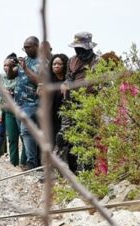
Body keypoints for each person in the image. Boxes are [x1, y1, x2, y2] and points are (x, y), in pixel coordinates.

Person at [58, 32, 100, 173]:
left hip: (89, 106)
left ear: (88, 47)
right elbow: (68, 78)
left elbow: (101, 86)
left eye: (81, 48)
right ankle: (70, 172)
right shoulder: (71, 61)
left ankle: (87, 174)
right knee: (65, 138)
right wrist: (65, 84)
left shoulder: (98, 62)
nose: (78, 51)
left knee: (87, 140)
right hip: (71, 105)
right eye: (76, 48)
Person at [15, 36, 42, 169]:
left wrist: (25, 68)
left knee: (26, 131)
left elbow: (40, 81)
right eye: (24, 47)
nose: (25, 50)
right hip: (18, 103)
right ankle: (29, 161)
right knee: (24, 133)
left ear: (36, 46)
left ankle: (32, 163)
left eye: (28, 47)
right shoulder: (24, 60)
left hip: (32, 103)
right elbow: (12, 77)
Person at [0, 54, 25, 168]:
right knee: (12, 139)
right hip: (8, 112)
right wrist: (0, 112)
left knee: (24, 138)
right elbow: (0, 96)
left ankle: (24, 163)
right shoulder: (2, 77)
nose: (6, 67)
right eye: (4, 65)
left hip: (20, 111)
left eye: (9, 65)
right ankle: (13, 164)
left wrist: (13, 93)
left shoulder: (21, 76)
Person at [49, 53, 69, 147]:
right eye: (54, 64)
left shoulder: (68, 81)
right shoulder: (49, 80)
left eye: (59, 64)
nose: (56, 66)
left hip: (65, 117)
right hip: (51, 117)